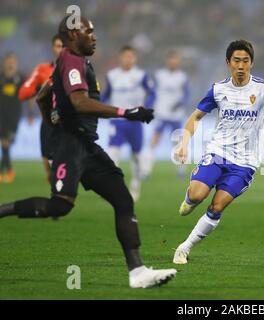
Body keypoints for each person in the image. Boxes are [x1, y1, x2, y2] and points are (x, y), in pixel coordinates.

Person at [0, 16, 176, 288]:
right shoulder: (71, 60)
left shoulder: (76, 61)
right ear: (73, 36)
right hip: (70, 146)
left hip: (86, 146)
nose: (94, 36)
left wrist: (51, 118)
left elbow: (43, 96)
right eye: (88, 32)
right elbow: (80, 103)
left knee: (123, 199)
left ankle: (137, 272)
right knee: (60, 205)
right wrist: (126, 113)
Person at [172, 40, 264, 264]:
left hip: (245, 162)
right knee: (197, 195)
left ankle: (184, 247)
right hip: (218, 151)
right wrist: (184, 142)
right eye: (236, 61)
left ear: (252, 63)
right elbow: (195, 117)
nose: (241, 66)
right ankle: (190, 199)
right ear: (228, 63)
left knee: (217, 206)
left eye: (245, 61)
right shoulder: (218, 90)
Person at [100, 45, 155, 201]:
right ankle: (114, 188)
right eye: (125, 56)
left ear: (135, 58)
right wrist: (96, 107)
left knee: (136, 156)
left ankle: (135, 185)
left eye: (131, 56)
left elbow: (152, 93)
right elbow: (105, 95)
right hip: (117, 121)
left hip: (135, 121)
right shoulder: (112, 76)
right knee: (112, 154)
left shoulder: (141, 75)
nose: (128, 59)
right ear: (120, 58)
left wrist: (146, 106)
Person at [18, 35, 64, 183]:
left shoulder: (75, 71)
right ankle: (57, 194)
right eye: (58, 46)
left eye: (63, 46)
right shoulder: (42, 70)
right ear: (52, 49)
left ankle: (62, 193)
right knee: (48, 167)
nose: (61, 49)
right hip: (48, 122)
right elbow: (23, 93)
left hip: (66, 123)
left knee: (64, 162)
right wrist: (40, 87)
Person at [141, 50, 189, 179]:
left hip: (176, 116)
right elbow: (152, 93)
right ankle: (146, 170)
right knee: (153, 141)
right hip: (161, 114)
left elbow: (186, 94)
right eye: (171, 59)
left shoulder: (182, 77)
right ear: (167, 61)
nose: (173, 62)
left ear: (178, 62)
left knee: (179, 143)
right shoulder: (159, 75)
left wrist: (181, 103)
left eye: (175, 60)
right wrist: (147, 106)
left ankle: (181, 171)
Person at [0, 53, 24, 183]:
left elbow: (29, 93)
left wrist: (31, 112)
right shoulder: (1, 78)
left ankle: (6, 170)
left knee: (6, 143)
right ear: (4, 63)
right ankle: (7, 171)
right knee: (4, 143)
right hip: (1, 115)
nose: (10, 64)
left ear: (16, 63)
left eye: (12, 62)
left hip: (14, 116)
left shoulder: (20, 78)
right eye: (8, 61)